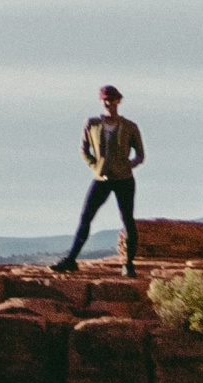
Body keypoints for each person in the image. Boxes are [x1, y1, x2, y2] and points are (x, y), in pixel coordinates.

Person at [53, 85, 144, 277]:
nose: (110, 103)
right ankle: (71, 259)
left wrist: (129, 165)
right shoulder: (92, 124)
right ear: (101, 101)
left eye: (113, 99)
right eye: (106, 100)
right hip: (101, 178)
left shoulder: (130, 126)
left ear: (119, 101)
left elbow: (140, 155)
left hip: (124, 179)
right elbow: (84, 149)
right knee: (86, 217)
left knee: (127, 220)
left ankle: (128, 264)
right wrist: (95, 166)